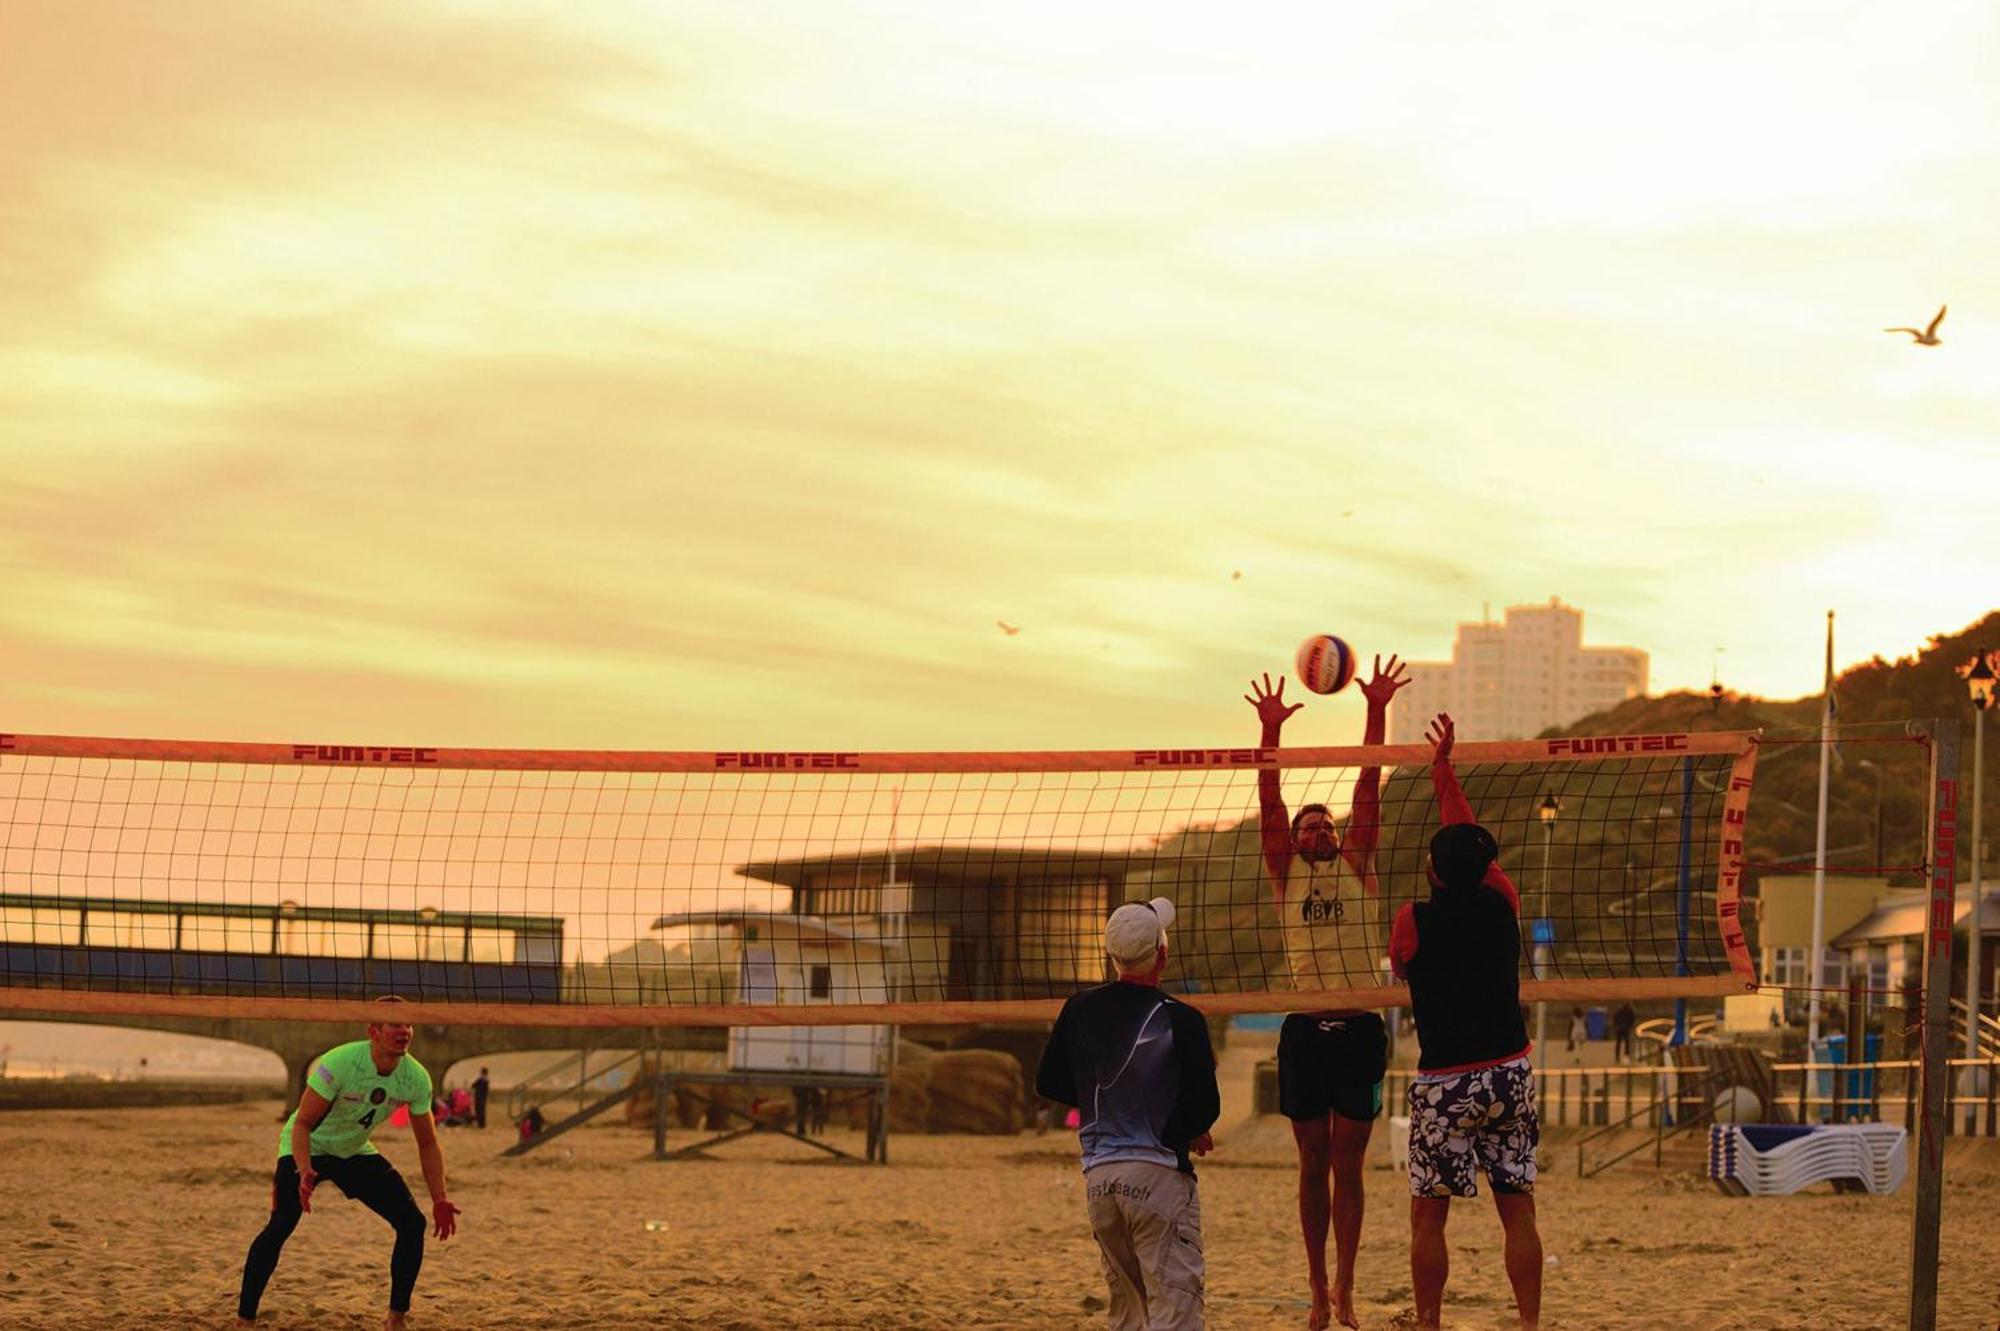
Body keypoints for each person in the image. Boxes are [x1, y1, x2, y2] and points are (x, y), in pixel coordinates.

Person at [1246, 656, 1408, 1331]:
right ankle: (1316, 1287)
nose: (1316, 830)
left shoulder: (1357, 865)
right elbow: (1271, 800)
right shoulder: (1284, 872)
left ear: (1339, 836)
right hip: (1305, 1030)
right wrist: (1270, 733)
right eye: (1307, 826)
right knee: (1312, 1160)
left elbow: (1369, 782)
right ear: (1293, 840)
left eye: (1325, 825)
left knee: (1351, 1160)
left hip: (1362, 1026)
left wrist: (1375, 708)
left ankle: (1346, 1285)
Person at [1388, 714, 1544, 1330]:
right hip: (1508, 1072)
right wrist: (1445, 772)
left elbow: (1403, 970)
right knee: (1520, 1212)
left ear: (1432, 870)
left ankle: (1429, 1321)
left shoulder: (1413, 920)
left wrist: (1439, 766)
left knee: (1429, 1215)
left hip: (1446, 1080)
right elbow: (1463, 833)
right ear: (1485, 869)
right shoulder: (1504, 903)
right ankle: (1529, 1324)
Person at [1036, 897, 1220, 1331]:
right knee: (1175, 1310)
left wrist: (1110, 1099)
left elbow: (1048, 1083)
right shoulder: (1180, 1018)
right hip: (1157, 1174)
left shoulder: (1078, 1008)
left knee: (1128, 1313)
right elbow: (1205, 1108)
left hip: (1100, 1180)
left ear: (1111, 954)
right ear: (1162, 953)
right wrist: (1189, 1129)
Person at [236, 996, 460, 1329]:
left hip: (354, 1151)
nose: (404, 1030)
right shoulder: (340, 1062)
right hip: (307, 1146)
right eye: (394, 1024)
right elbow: (302, 1124)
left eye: (408, 1024)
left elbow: (427, 1142)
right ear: (374, 1031)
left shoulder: (415, 1078)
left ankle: (396, 1319)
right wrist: (303, 1168)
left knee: (412, 1223)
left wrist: (439, 1198)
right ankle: (245, 1320)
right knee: (280, 1225)